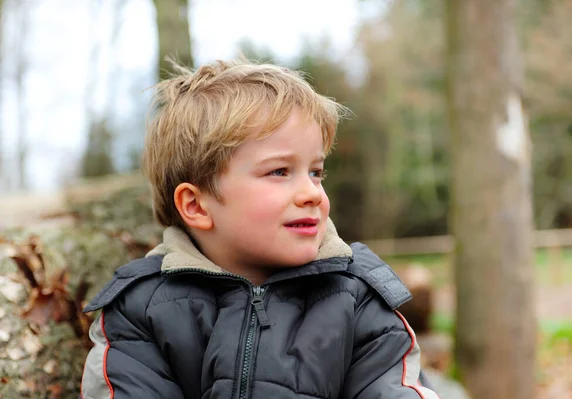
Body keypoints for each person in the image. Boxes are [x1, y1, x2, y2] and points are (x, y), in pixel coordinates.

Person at [80, 59, 439, 399]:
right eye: (279, 172)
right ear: (196, 205)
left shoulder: (358, 299)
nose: (312, 193)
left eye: (316, 171)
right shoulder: (141, 309)